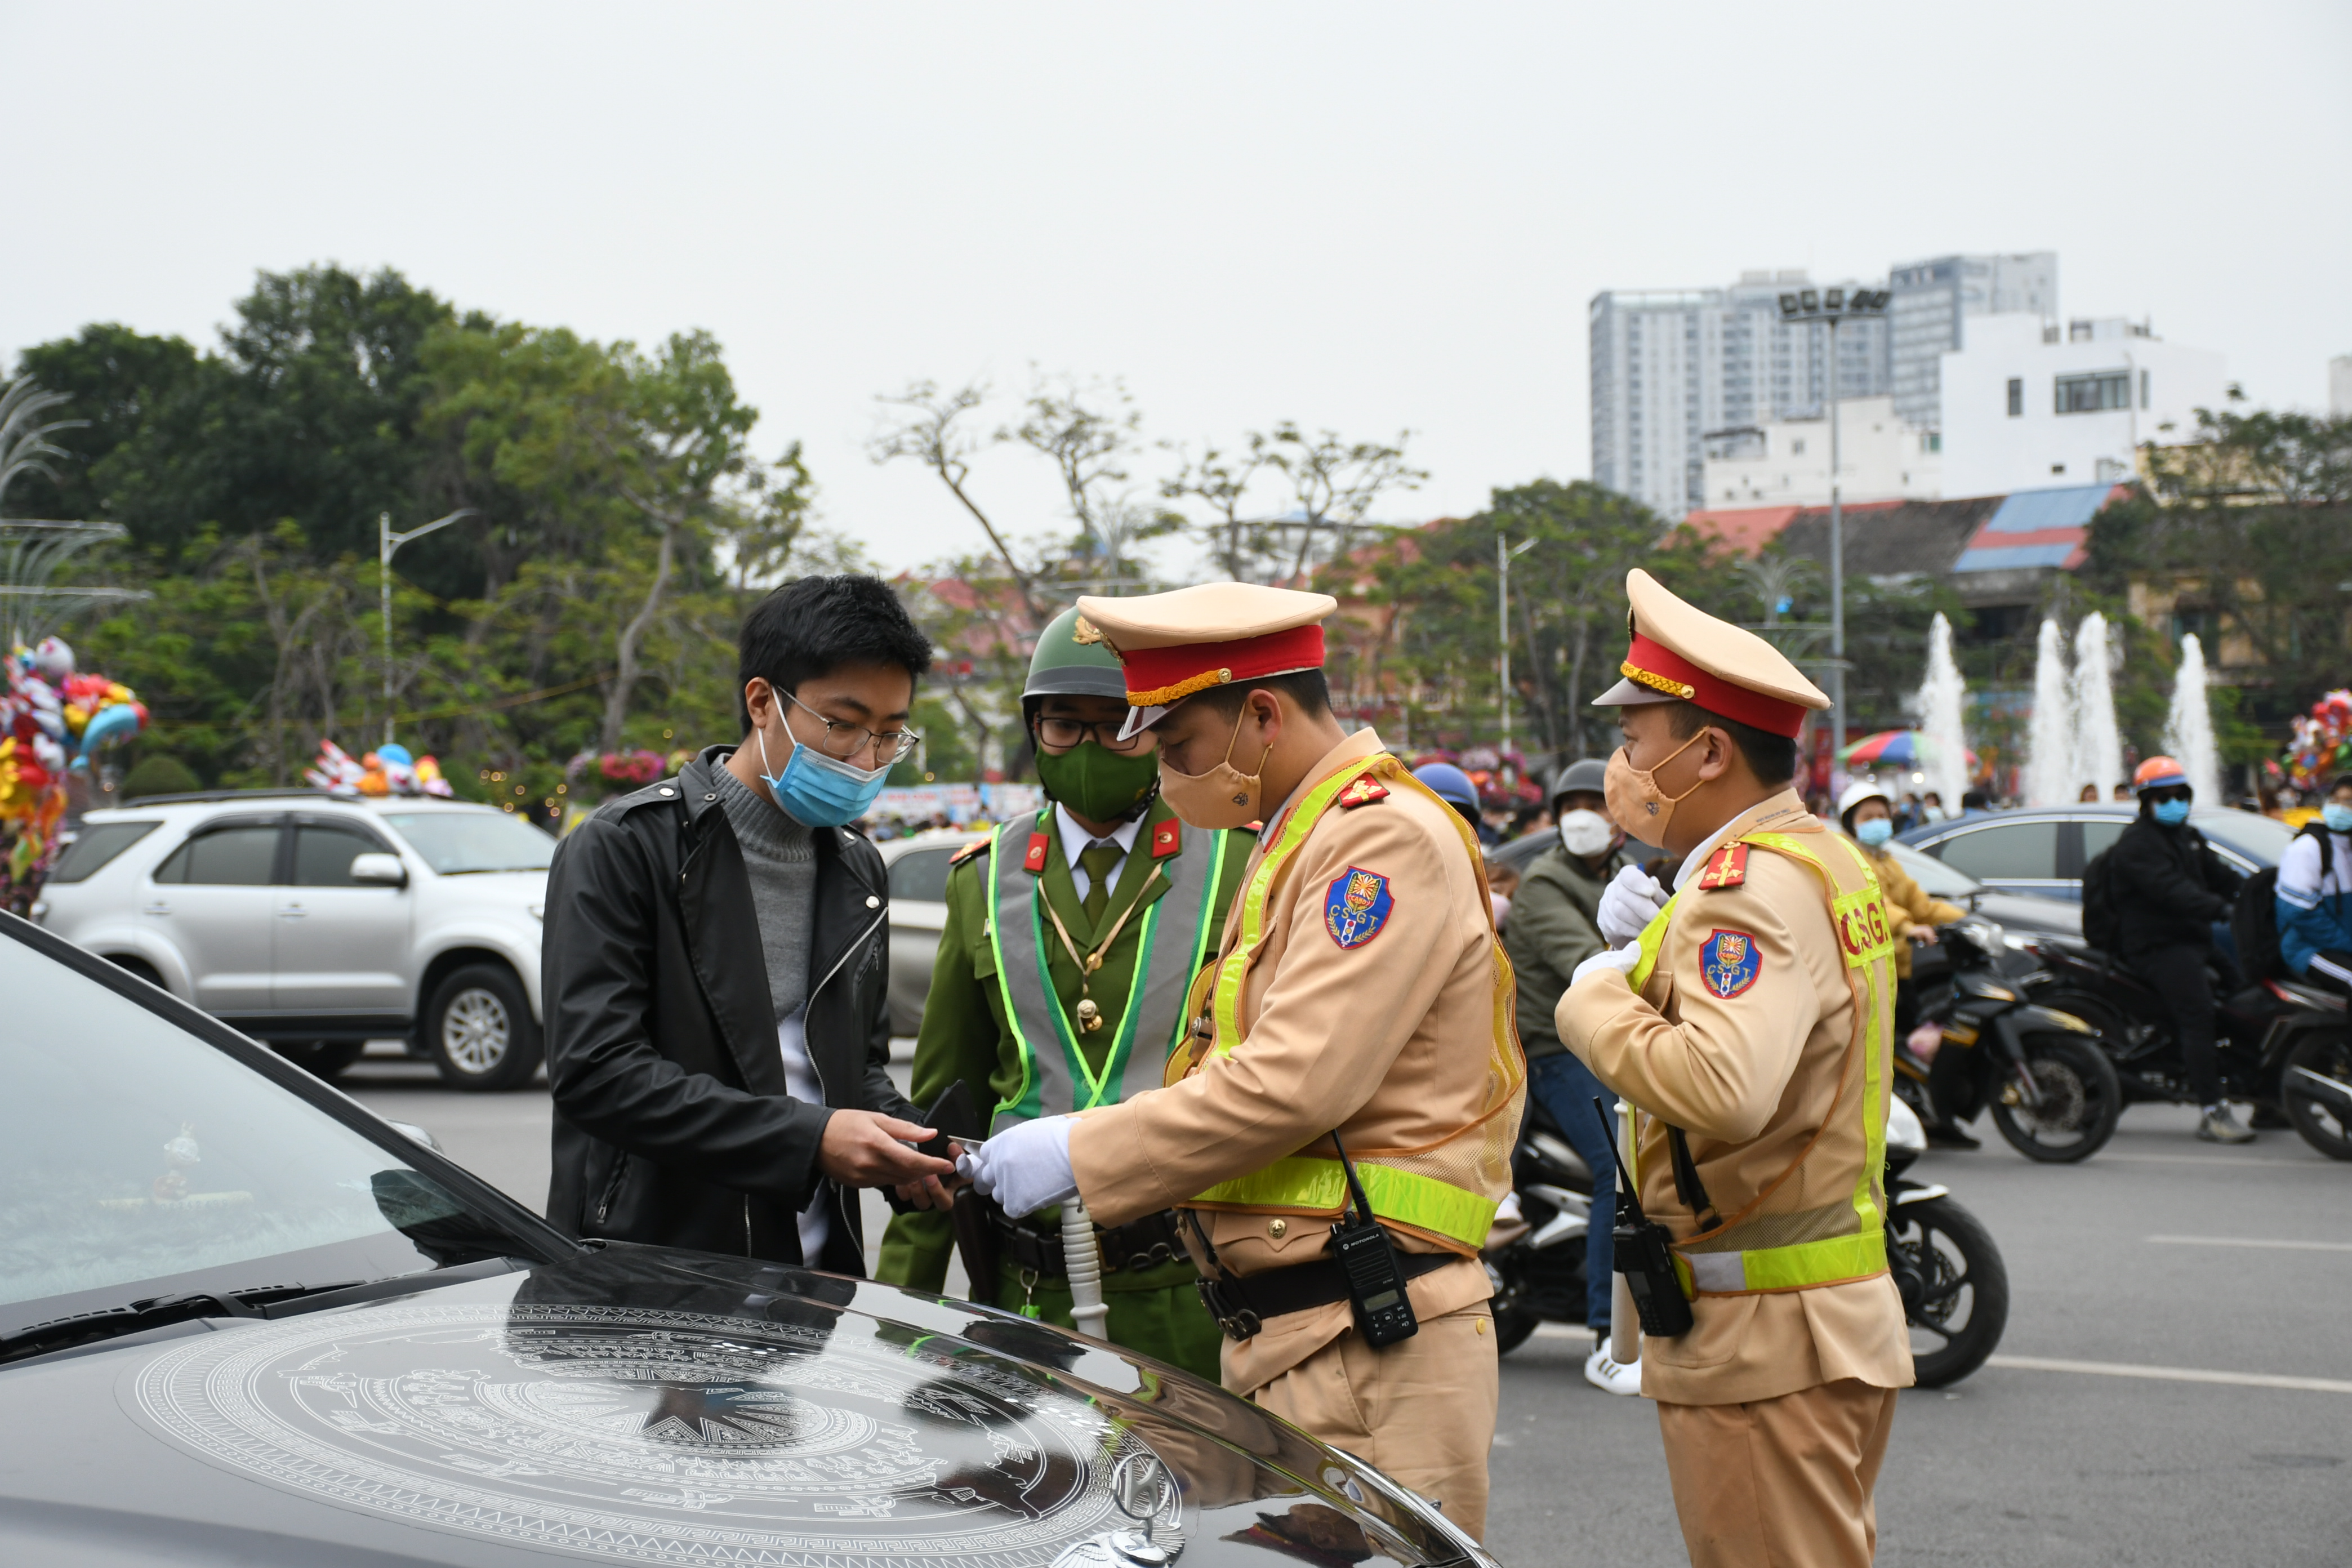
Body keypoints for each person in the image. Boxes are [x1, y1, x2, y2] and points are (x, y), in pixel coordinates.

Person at [958, 582, 1525, 1539]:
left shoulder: (1374, 838)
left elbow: (1294, 1081)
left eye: (1176, 745)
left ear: (1261, 713)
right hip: (1310, 1327)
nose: (1165, 770)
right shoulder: (1299, 838)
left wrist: (1081, 1148)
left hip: (1367, 1326)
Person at [1556, 568, 1912, 1568]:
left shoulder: (1743, 886)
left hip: (1762, 1333)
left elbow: (1727, 1084)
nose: (1620, 765)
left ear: (1707, 749)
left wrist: (1593, 994)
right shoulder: (1818, 855)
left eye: (1635, 740)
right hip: (1816, 1306)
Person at [875, 606, 1253, 1379]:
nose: (1089, 747)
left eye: (1117, 726)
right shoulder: (981, 879)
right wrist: (895, 1325)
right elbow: (947, 1108)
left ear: (1159, 729)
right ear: (1033, 730)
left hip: (1191, 1292)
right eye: (1063, 725)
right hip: (1026, 1293)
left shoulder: (1236, 865)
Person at [541, 574, 956, 1269]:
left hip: (815, 1273)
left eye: (889, 734)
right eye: (843, 723)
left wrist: (909, 1141)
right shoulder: (627, 847)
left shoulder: (859, 869)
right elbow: (599, 1073)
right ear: (763, 702)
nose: (865, 758)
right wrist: (809, 1139)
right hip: (655, 1272)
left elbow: (854, 1066)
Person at [1500, 755, 1640, 1394]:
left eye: (1599, 805)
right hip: (1555, 1051)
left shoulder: (1623, 875)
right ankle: (1609, 1336)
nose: (1586, 816)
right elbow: (1587, 962)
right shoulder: (1545, 884)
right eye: (1573, 806)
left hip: (1607, 1042)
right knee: (1622, 1162)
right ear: (1558, 819)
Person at [2108, 755, 2250, 1144]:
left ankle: (2267, 1097)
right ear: (2146, 801)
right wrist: (2221, 910)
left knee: (2248, 1000)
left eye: (2180, 794)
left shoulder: (2187, 836)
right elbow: (2173, 892)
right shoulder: (2137, 845)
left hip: (2193, 939)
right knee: (2198, 1016)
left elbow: (2219, 876)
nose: (2174, 802)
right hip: (2159, 945)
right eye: (2163, 796)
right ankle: (2212, 1111)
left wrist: (2256, 894)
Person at [1838, 780, 1972, 1145]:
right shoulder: (1851, 861)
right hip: (1877, 970)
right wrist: (1909, 927)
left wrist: (1963, 917)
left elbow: (1921, 902)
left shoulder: (1888, 860)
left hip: (1903, 966)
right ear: (1851, 823)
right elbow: (1877, 904)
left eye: (1883, 815)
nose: (1879, 822)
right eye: (1869, 817)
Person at [2277, 774, 2352, 997]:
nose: (2340, 808)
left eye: (2348, 802)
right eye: (2335, 800)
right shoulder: (2307, 848)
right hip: (2309, 948)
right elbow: (2298, 912)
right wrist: (2347, 944)